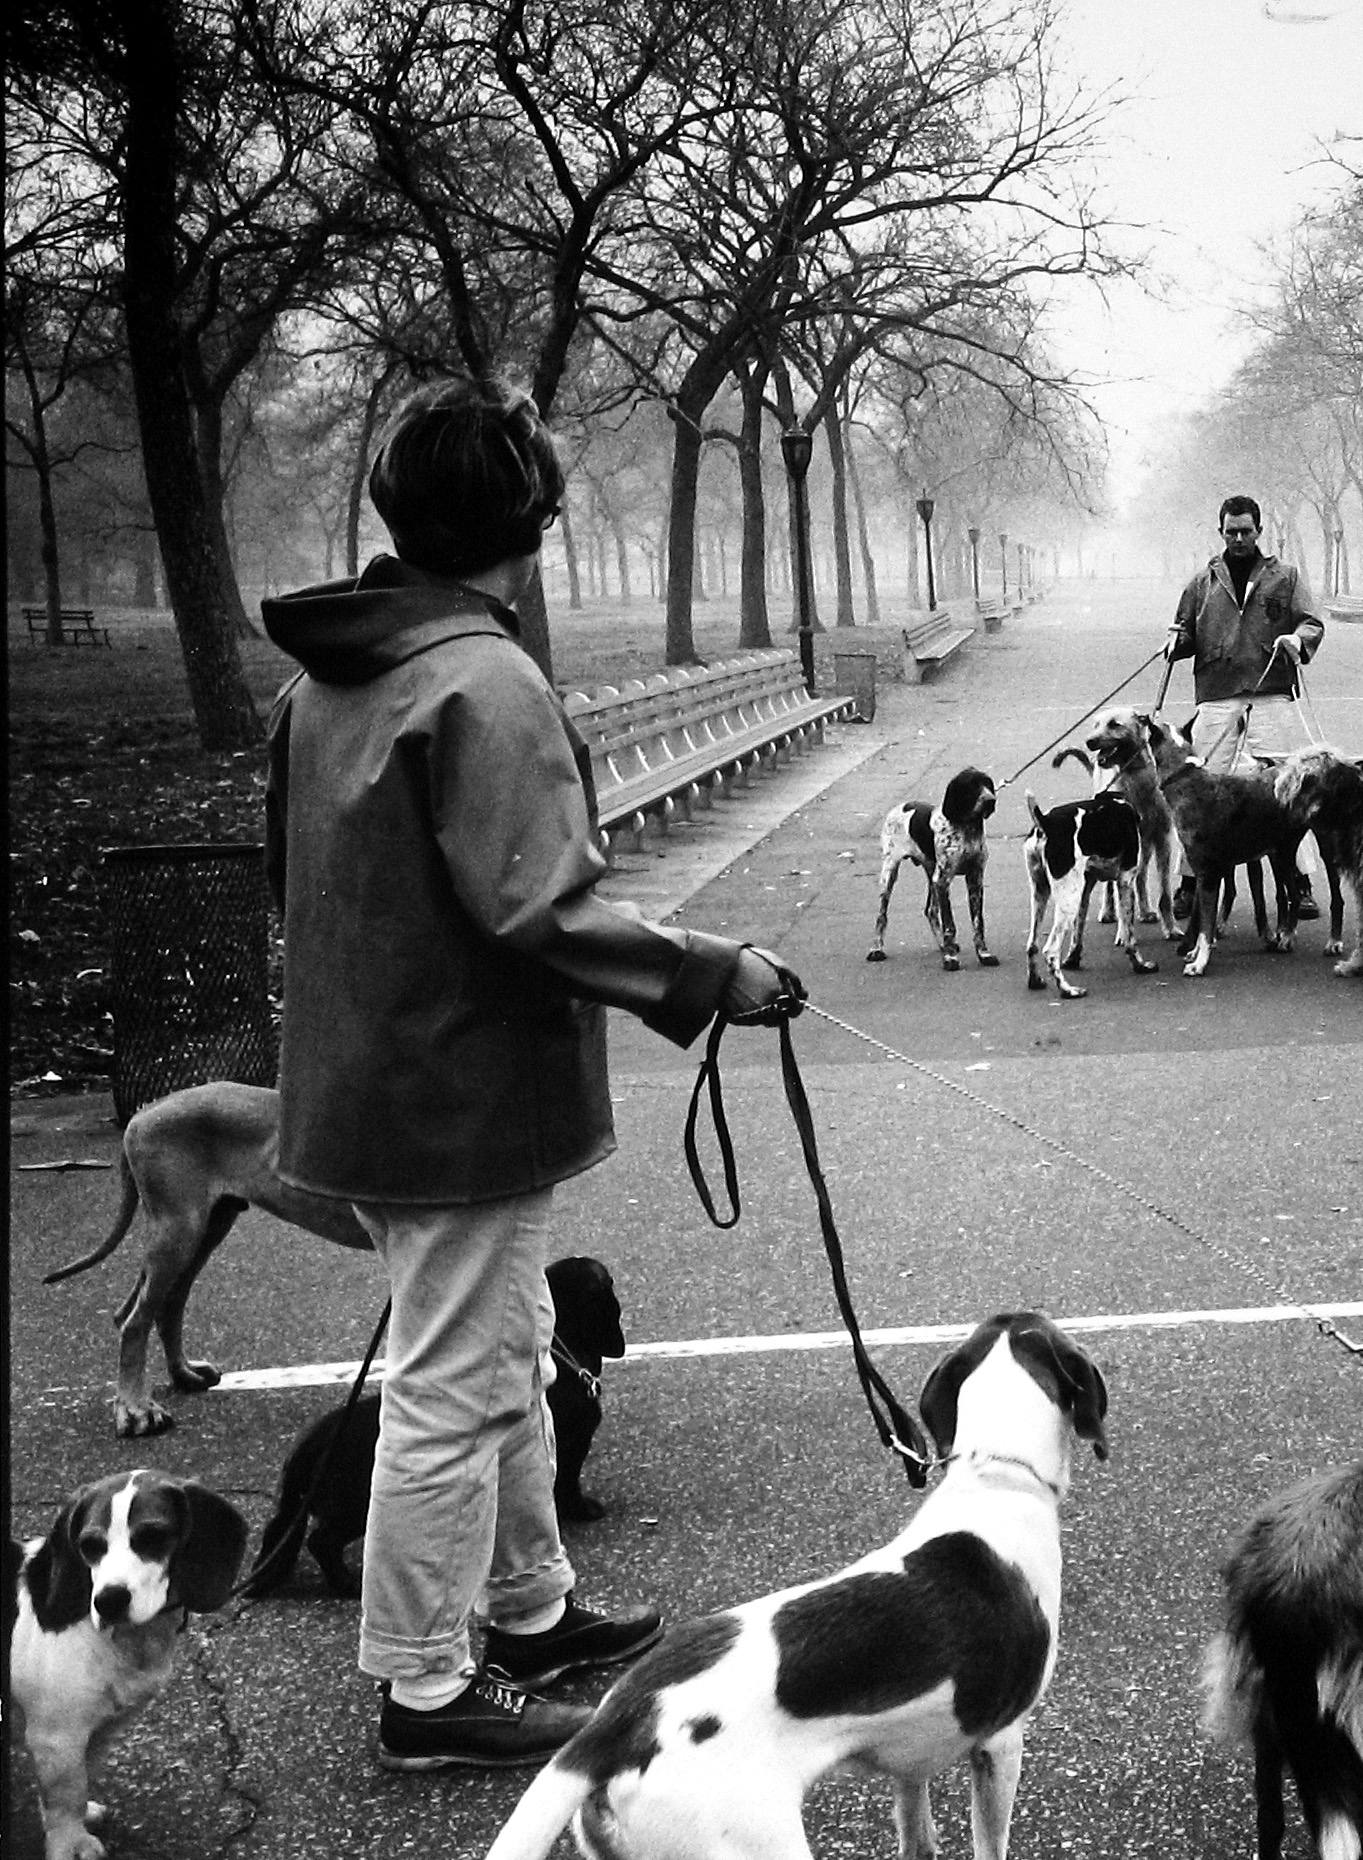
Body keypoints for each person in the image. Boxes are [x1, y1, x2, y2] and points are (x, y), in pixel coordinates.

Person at [261, 375, 805, 1771]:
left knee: (497, 1354)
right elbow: (541, 909)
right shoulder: (482, 679)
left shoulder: (330, 678)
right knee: (455, 1382)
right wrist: (708, 971)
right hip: (458, 1099)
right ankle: (426, 1685)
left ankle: (530, 1605)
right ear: (535, 522)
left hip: (373, 1078)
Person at [1167, 494, 1327, 914]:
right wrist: (1175, 642)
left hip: (1272, 693)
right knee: (1197, 791)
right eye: (1231, 531)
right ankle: (1189, 882)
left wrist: (1299, 639)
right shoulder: (1201, 584)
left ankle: (1299, 881)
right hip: (1217, 698)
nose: (1239, 538)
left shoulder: (1286, 578)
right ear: (1221, 532)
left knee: (1288, 789)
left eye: (1246, 531)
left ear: (1259, 531)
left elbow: (1311, 622)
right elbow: (1183, 633)